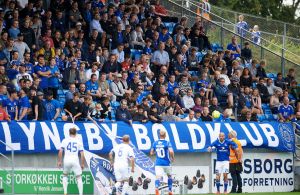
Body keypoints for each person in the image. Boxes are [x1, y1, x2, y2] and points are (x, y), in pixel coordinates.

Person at [57, 127, 84, 195]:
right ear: (76, 133)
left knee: (65, 175)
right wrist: (82, 164)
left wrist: (59, 161)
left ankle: (65, 192)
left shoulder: (65, 140)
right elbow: (82, 154)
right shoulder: (78, 141)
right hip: (75, 160)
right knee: (78, 177)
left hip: (66, 160)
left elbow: (60, 151)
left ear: (69, 133)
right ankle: (80, 194)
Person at [150, 130, 175, 195]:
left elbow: (151, 153)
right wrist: (172, 158)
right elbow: (171, 151)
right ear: (165, 135)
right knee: (169, 176)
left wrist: (156, 151)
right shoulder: (167, 143)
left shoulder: (155, 143)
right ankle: (170, 190)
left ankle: (156, 188)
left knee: (158, 177)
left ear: (159, 135)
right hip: (166, 162)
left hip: (158, 163)